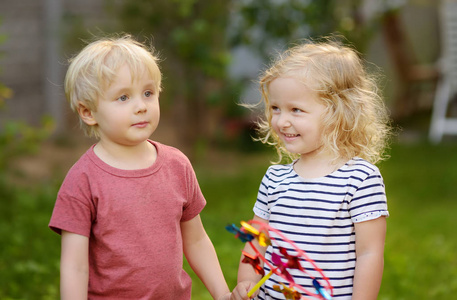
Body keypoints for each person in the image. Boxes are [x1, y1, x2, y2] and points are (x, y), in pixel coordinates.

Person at [48, 35, 232, 300]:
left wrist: (222, 293)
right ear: (88, 112)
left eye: (148, 93)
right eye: (123, 97)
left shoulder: (177, 164)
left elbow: (196, 239)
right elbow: (75, 266)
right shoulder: (83, 179)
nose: (141, 106)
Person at [231, 39, 392, 300]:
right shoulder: (275, 179)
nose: (281, 121)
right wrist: (247, 280)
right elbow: (256, 239)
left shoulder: (360, 179)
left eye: (296, 109)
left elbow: (369, 253)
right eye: (275, 108)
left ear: (338, 113)